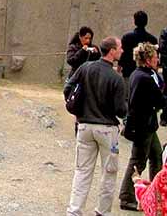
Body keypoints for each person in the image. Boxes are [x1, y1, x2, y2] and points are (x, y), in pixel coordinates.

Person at [64, 36, 127, 216]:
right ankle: (102, 211)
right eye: (120, 47)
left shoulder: (85, 68)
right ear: (112, 51)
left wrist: (76, 109)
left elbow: (68, 88)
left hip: (84, 126)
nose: (122, 50)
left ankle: (74, 211)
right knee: (108, 173)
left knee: (82, 171)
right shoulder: (116, 78)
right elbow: (121, 110)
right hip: (107, 128)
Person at [119, 42, 166, 211]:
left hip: (147, 125)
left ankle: (156, 192)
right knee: (138, 161)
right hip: (142, 126)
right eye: (154, 57)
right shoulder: (144, 78)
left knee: (156, 156)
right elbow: (159, 99)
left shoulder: (141, 74)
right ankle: (126, 197)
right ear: (147, 59)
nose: (157, 59)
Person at [119, 11, 158, 80]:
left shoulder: (127, 37)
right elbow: (155, 57)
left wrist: (119, 67)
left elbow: (123, 55)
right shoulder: (152, 39)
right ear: (146, 21)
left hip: (129, 72)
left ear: (134, 21)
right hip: (147, 73)